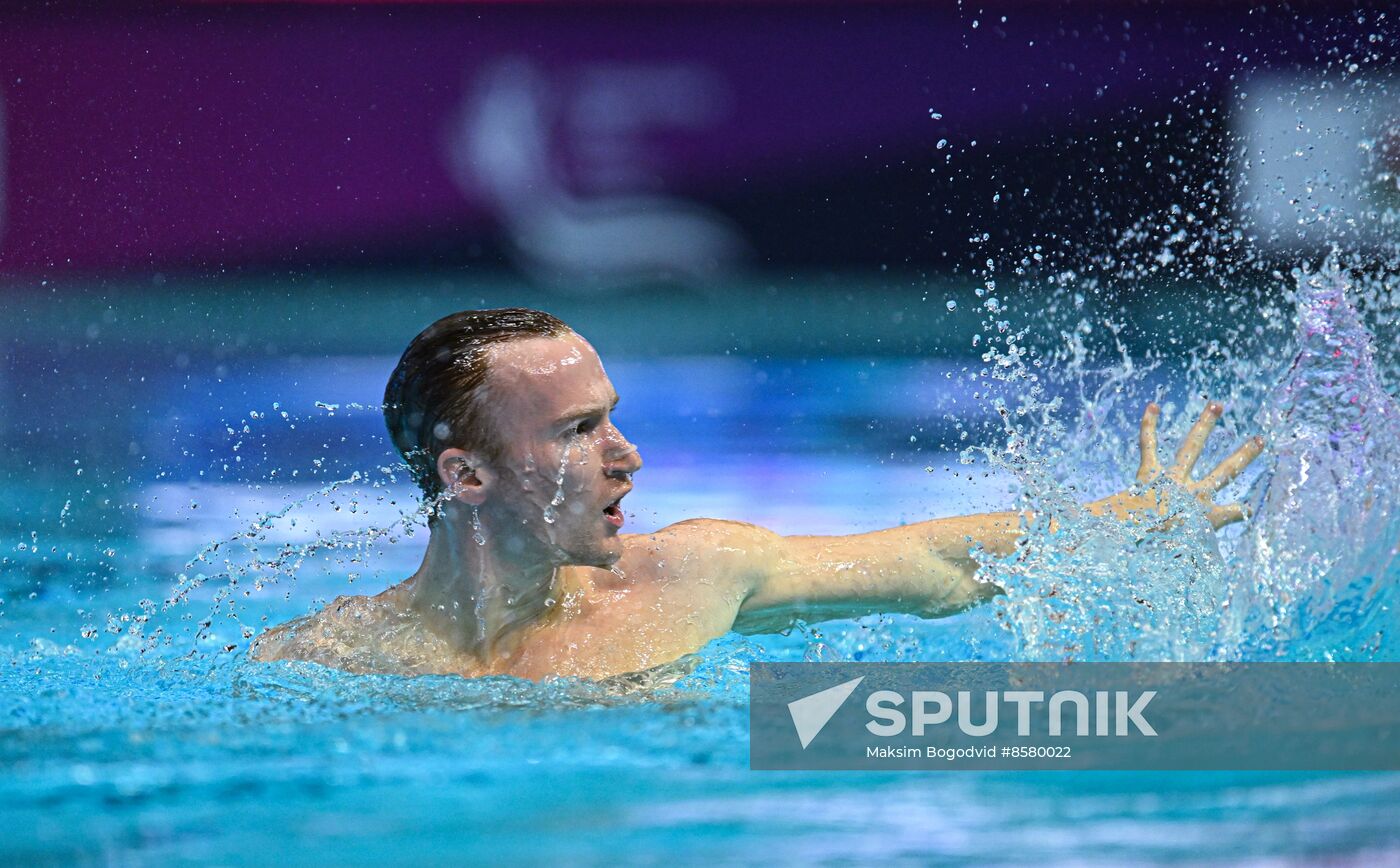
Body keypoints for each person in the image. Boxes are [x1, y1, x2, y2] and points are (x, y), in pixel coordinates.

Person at [250, 308, 1263, 680]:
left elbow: (928, 563)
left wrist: (1126, 528)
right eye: (577, 431)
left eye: (612, 415)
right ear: (464, 474)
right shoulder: (325, 659)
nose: (628, 455)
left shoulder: (692, 576)